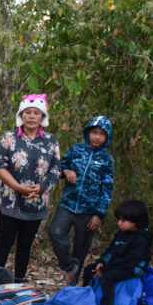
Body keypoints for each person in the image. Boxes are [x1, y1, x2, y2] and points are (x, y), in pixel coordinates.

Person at [0, 93, 61, 282]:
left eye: (36, 113)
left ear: (42, 117)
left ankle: (19, 282)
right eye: (27, 112)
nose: (31, 116)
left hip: (36, 202)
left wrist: (41, 187)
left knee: (25, 244)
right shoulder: (9, 138)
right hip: (10, 200)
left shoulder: (51, 140)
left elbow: (56, 168)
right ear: (21, 115)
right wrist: (18, 187)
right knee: (5, 242)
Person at [48, 116, 114, 286]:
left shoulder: (107, 160)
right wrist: (67, 170)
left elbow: (106, 189)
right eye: (94, 132)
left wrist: (99, 214)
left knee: (80, 249)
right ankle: (69, 266)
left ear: (107, 137)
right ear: (88, 133)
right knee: (55, 231)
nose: (97, 137)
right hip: (68, 205)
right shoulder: (76, 150)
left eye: (101, 134)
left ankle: (70, 289)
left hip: (89, 212)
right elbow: (60, 167)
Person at [80, 200, 153, 305]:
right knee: (89, 270)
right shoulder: (121, 234)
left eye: (123, 221)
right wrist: (101, 262)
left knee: (108, 277)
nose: (119, 223)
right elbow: (111, 251)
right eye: (118, 219)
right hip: (116, 264)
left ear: (135, 222)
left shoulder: (141, 239)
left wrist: (106, 269)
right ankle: (86, 301)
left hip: (132, 268)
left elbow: (131, 261)